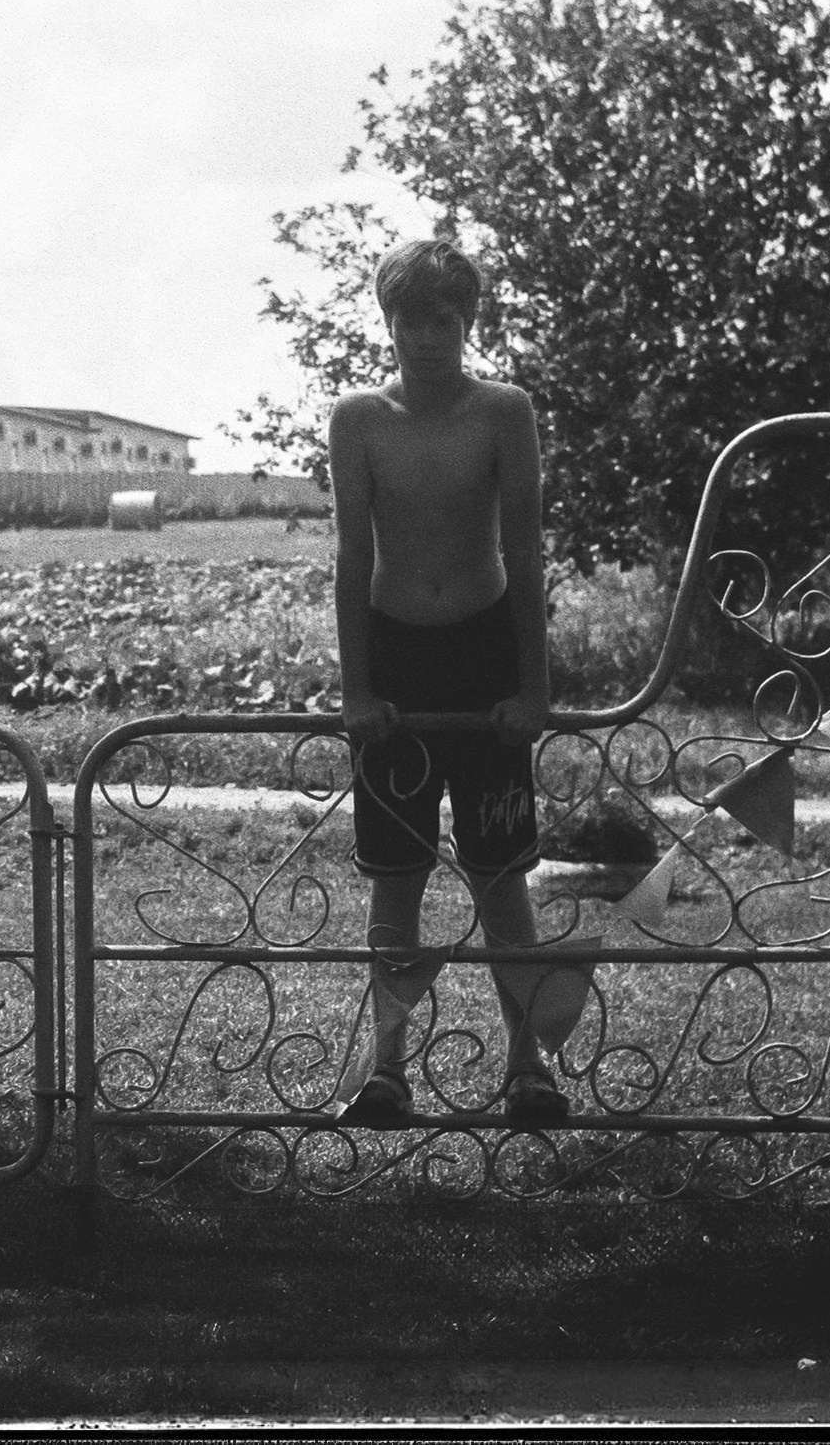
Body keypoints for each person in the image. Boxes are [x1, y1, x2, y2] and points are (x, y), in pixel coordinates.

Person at [327, 238, 568, 1126]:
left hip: (485, 654)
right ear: (385, 324)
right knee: (398, 878)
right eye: (409, 320)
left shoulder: (504, 410)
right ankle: (387, 1070)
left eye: (445, 320)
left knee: (501, 876)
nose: (427, 338)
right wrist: (358, 690)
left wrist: (531, 688)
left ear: (468, 323)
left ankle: (528, 1068)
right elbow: (352, 561)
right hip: (397, 661)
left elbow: (524, 551)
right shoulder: (359, 418)